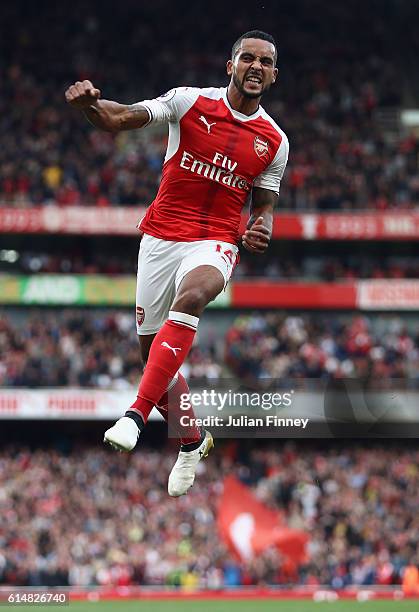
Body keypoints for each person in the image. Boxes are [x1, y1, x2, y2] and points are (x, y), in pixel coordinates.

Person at [65, 30, 289, 496]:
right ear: (230, 66)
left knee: (193, 296)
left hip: (216, 241)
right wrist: (90, 106)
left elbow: (264, 204)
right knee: (151, 357)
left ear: (272, 75)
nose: (255, 66)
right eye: (246, 58)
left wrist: (261, 225)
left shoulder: (275, 141)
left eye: (264, 62)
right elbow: (121, 118)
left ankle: (134, 415)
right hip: (162, 237)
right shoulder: (189, 102)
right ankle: (191, 441)